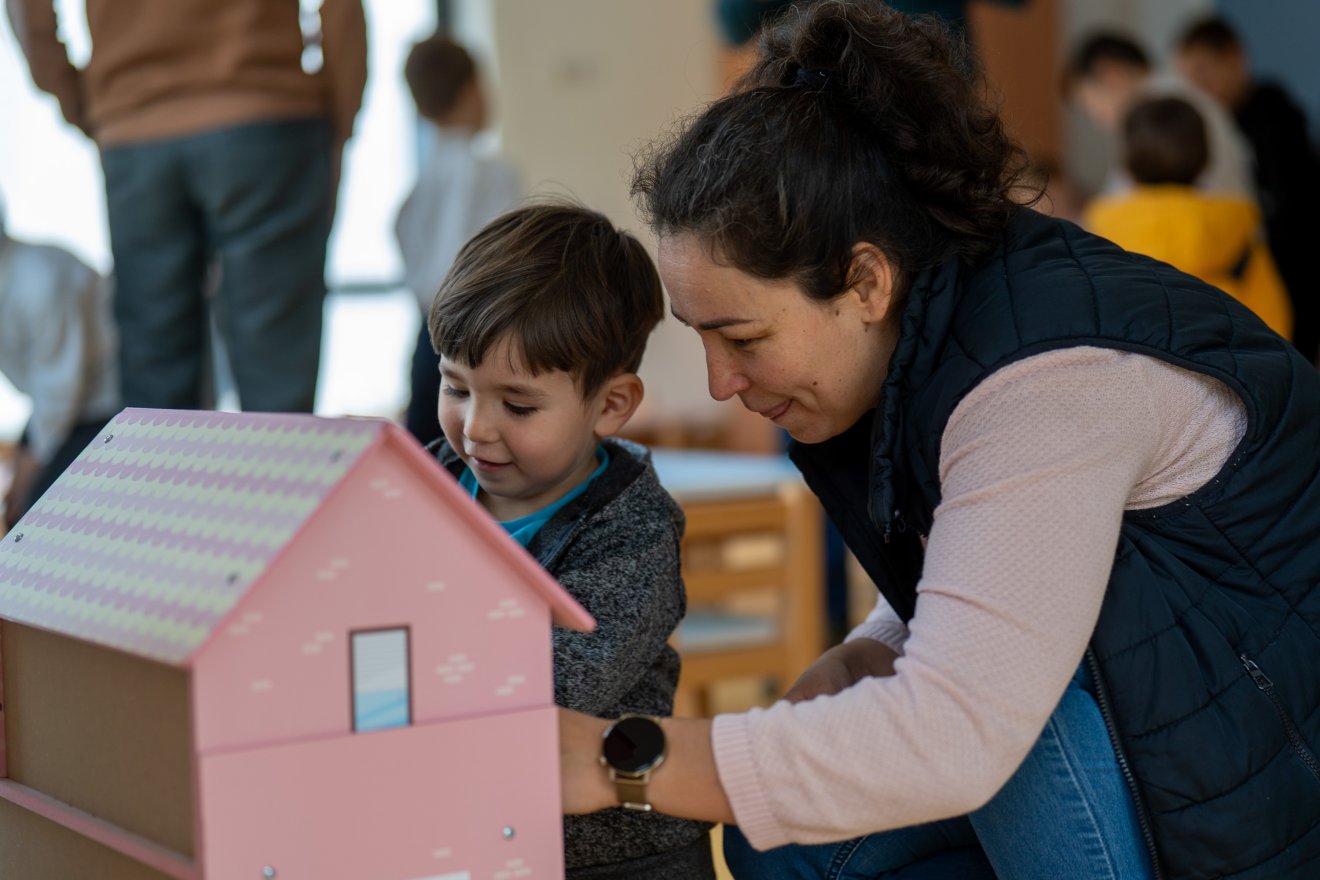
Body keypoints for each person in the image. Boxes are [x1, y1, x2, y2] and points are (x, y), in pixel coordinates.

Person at [556, 3, 1320, 879]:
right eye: (701, 340)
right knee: (785, 840)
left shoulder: (1040, 381)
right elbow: (1014, 545)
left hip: (1266, 781)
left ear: (867, 282)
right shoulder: (947, 314)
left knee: (1002, 718)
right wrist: (873, 648)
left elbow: (960, 727)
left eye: (745, 338)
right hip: (1176, 725)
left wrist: (614, 759)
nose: (722, 380)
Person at [427, 202, 716, 879]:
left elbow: (560, 688)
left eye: (517, 405)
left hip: (618, 853)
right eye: (455, 387)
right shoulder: (426, 487)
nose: (475, 429)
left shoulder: (632, 534)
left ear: (611, 405)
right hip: (472, 833)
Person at [7, 0, 367, 412]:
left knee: (155, 391)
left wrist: (90, 107)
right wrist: (338, 115)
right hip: (265, 112)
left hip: (134, 128)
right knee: (277, 385)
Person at [396, 32, 522, 445]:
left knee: (428, 453)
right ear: (472, 91)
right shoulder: (490, 174)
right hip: (476, 334)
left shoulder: (421, 182)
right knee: (475, 452)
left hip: (424, 336)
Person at [1175, 15, 1320, 367]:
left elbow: (1288, 206)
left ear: (1235, 57)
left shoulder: (1274, 117)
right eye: (1190, 78)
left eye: (1204, 72)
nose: (1199, 87)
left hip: (1291, 266)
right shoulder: (1216, 123)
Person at [1086, 96, 1292, 339]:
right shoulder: (1236, 226)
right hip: (1226, 367)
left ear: (1126, 166)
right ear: (1206, 162)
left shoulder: (1100, 230)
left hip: (1137, 368)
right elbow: (1273, 321)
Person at [0, 209, 119, 528]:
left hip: (107, 404)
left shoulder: (37, 281)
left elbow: (60, 391)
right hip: (59, 405)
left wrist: (27, 469)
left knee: (34, 518)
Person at [1064, 30, 1255, 199]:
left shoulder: (1160, 114)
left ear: (1109, 72)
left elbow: (1121, 201)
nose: (1099, 122)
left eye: (1092, 108)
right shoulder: (1179, 94)